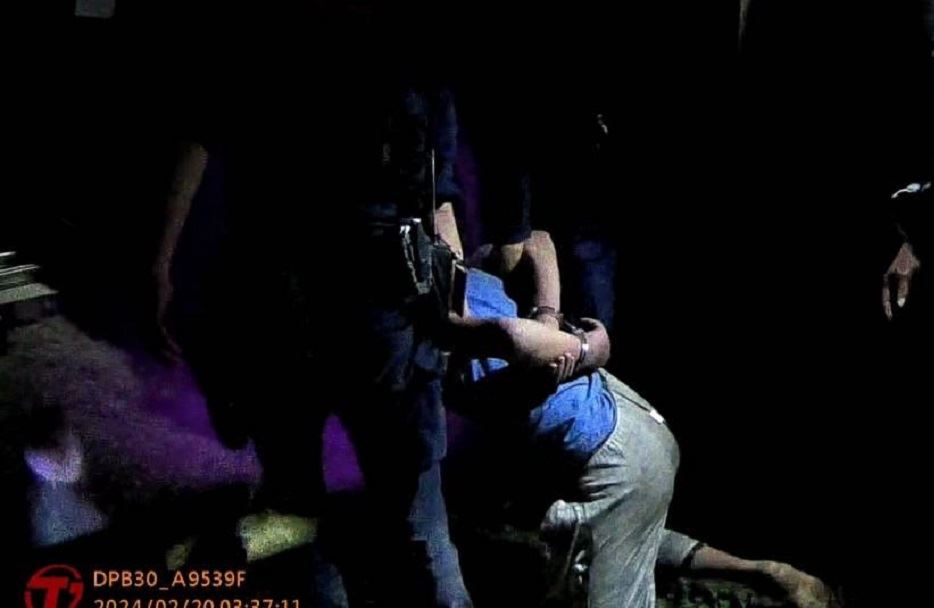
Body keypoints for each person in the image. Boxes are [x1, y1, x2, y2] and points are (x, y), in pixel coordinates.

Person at [148, 17, 472, 606]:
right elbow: (436, 192)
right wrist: (452, 305)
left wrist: (163, 263)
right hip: (343, 299)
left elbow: (202, 130)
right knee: (406, 523)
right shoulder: (407, 49)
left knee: (321, 515)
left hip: (299, 294)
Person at [441, 231, 838, 608]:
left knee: (614, 528)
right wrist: (577, 342)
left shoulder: (438, 324)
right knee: (619, 530)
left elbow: (516, 339)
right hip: (631, 420)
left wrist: (560, 336)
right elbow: (538, 244)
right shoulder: (468, 272)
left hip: (616, 455)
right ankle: (761, 572)